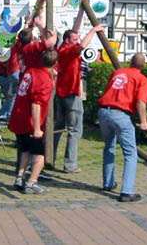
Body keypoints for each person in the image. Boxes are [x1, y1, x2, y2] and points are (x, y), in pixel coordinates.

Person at [97, 53, 147, 202]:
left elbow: (110, 90)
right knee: (130, 153)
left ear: (130, 62)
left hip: (103, 111)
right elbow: (140, 103)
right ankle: (126, 191)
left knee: (109, 146)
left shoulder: (118, 72)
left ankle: (108, 183)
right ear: (143, 66)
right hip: (120, 114)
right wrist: (143, 121)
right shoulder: (142, 79)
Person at [53, 24, 104, 173]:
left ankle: (49, 158)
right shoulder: (69, 50)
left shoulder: (62, 47)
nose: (77, 40)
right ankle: (70, 164)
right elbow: (81, 46)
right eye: (74, 39)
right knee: (75, 130)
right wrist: (93, 30)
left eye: (77, 38)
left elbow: (75, 31)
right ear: (67, 40)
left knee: (58, 127)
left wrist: (81, 10)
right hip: (70, 94)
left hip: (61, 93)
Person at [8, 48, 58, 194]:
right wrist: (37, 128)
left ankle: (19, 178)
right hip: (30, 121)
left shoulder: (31, 71)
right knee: (39, 154)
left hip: (18, 117)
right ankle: (32, 182)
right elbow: (36, 103)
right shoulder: (43, 79)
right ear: (55, 63)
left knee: (25, 149)